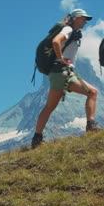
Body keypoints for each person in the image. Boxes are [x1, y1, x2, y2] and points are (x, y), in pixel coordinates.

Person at [31, 8, 100, 148]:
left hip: (58, 73)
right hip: (63, 72)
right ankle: (91, 126)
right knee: (92, 92)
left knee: (49, 107)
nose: (85, 21)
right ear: (75, 18)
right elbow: (56, 42)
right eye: (83, 18)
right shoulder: (68, 30)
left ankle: (36, 139)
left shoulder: (71, 31)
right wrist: (61, 58)